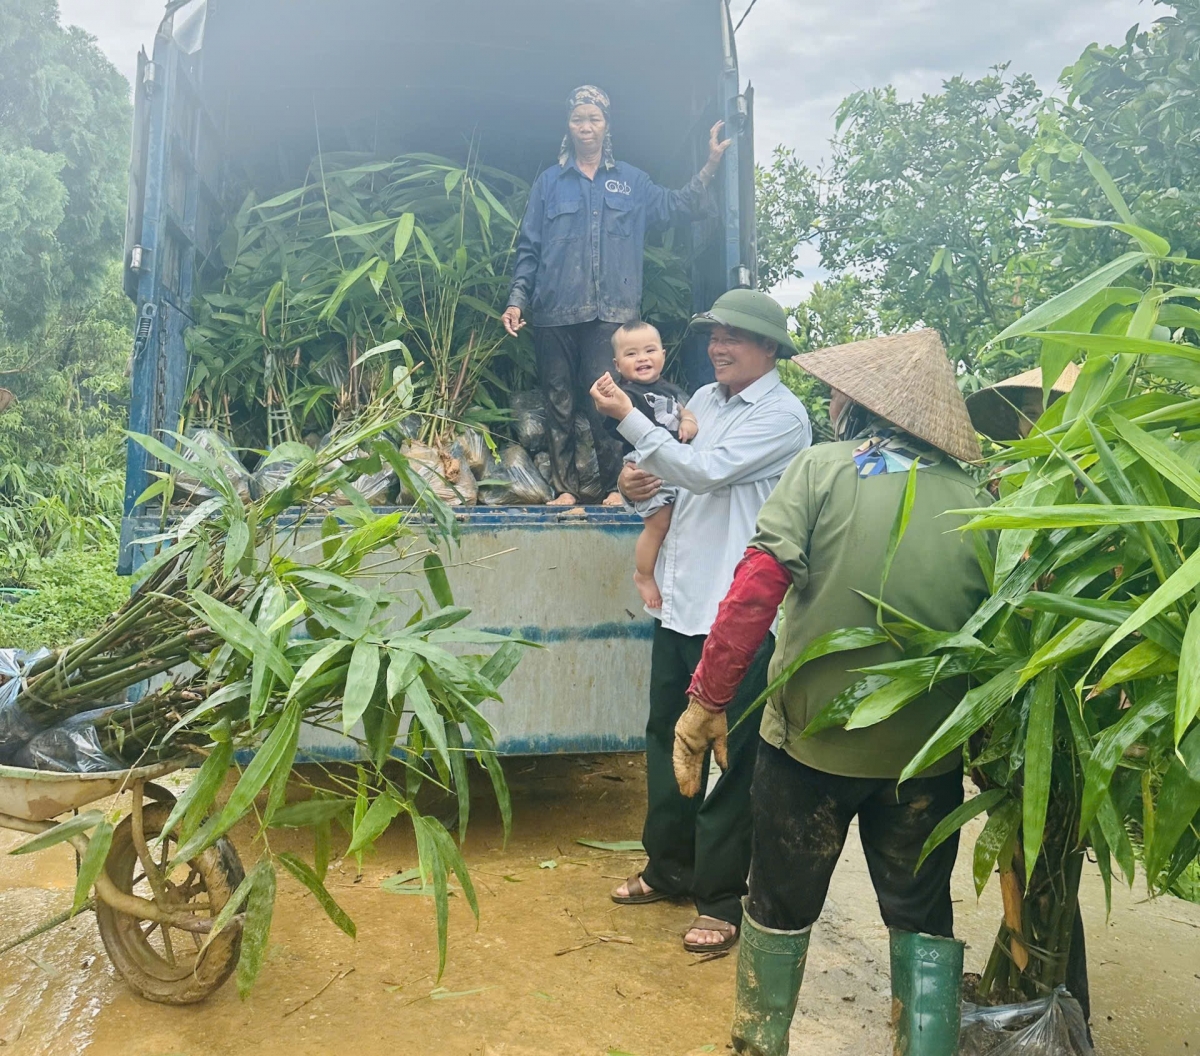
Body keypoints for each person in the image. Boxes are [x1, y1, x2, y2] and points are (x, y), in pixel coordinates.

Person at [671, 330, 990, 1055]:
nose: (832, 399)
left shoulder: (818, 469)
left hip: (810, 749)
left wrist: (706, 701)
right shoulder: (980, 501)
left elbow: (755, 592)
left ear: (862, 404)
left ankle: (759, 1043)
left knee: (781, 904)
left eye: (840, 391)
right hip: (925, 758)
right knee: (921, 916)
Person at [588, 289, 811, 954]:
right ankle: (669, 867)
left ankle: (720, 898)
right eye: (714, 334)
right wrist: (641, 489)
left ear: (768, 348)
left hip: (738, 614)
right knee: (666, 738)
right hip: (683, 603)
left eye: (734, 335)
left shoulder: (782, 416)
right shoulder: (706, 402)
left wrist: (629, 419)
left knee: (732, 756)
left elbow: (708, 472)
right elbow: (677, 483)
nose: (718, 345)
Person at [503, 84, 731, 507]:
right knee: (558, 403)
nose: (585, 127)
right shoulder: (549, 183)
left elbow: (677, 205)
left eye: (594, 119)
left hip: (611, 315)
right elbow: (529, 247)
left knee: (607, 403)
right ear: (568, 126)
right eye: (577, 119)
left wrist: (711, 165)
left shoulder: (630, 181)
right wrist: (518, 299)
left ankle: (614, 486)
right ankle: (566, 489)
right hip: (553, 311)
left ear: (607, 126)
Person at [594, 320, 698, 611]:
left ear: (663, 355)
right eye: (631, 354)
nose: (642, 358)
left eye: (649, 350)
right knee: (658, 523)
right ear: (617, 364)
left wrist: (688, 420)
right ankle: (643, 574)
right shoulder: (626, 394)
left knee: (675, 520)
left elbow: (684, 410)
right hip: (646, 465)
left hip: (673, 463)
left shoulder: (671, 390)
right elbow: (613, 413)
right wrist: (607, 391)